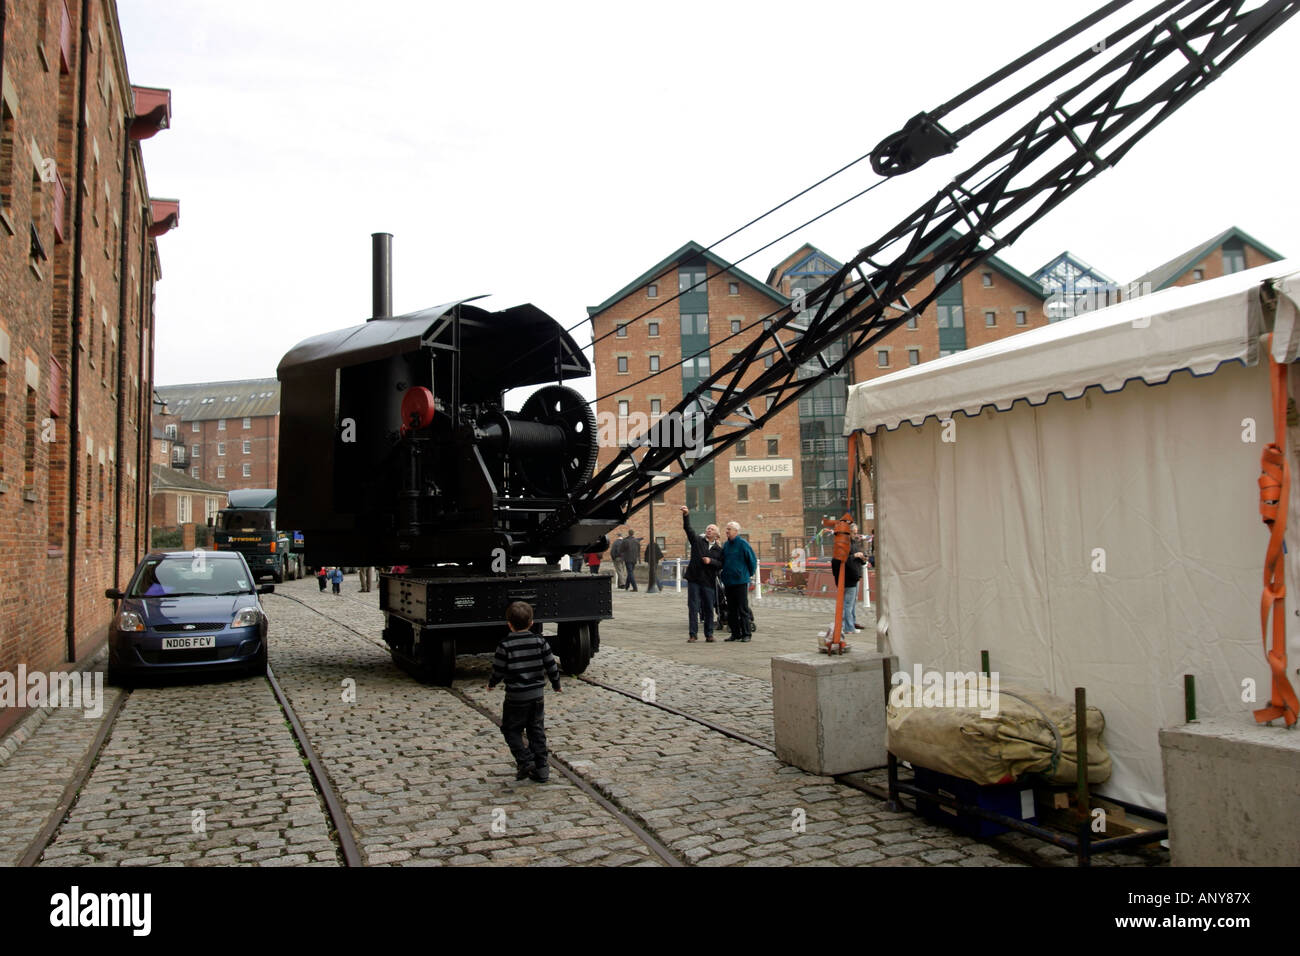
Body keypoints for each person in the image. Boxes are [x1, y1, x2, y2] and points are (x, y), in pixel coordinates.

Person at [488, 601, 562, 782]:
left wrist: (492, 683)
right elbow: (551, 665)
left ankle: (525, 759)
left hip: (515, 698)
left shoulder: (505, 645)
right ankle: (542, 768)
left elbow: (498, 669)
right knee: (536, 731)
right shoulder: (540, 641)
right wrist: (556, 684)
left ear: (509, 624)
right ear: (531, 623)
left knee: (510, 729)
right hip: (537, 696)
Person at [681, 507, 722, 642]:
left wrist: (711, 561)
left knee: (709, 607)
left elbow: (721, 564)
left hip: (708, 581)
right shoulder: (698, 541)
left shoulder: (719, 550)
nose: (708, 530)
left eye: (712, 529)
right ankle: (693, 634)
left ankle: (709, 634)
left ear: (717, 535)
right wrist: (686, 515)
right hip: (694, 579)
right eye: (708, 528)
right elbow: (688, 529)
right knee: (693, 607)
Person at [719, 521, 758, 642]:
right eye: (726, 529)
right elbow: (722, 560)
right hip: (728, 581)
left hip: (740, 581)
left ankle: (746, 633)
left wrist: (747, 574)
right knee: (731, 609)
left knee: (742, 608)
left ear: (736, 531)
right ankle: (735, 633)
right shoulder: (725, 545)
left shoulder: (743, 544)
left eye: (729, 529)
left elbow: (752, 560)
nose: (727, 531)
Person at [830, 523, 867, 635]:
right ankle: (848, 627)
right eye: (854, 533)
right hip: (848, 577)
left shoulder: (853, 543)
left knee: (851, 603)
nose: (856, 535)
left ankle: (851, 623)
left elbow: (859, 556)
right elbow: (840, 561)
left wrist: (862, 558)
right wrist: (855, 556)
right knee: (848, 604)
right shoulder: (843, 544)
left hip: (854, 576)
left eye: (856, 532)